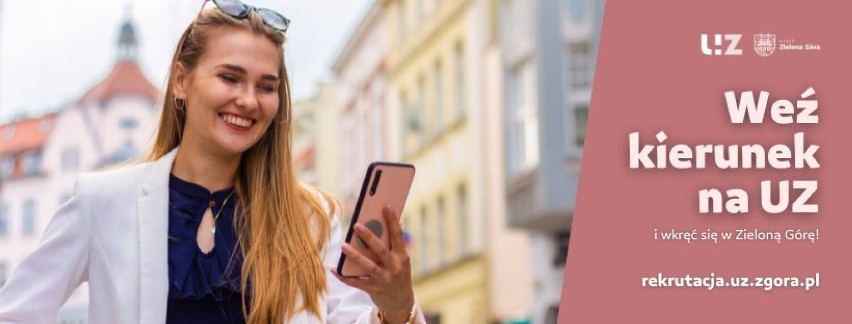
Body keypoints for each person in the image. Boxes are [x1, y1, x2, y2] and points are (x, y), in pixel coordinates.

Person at [0, 1, 425, 323]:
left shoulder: (312, 219)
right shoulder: (103, 202)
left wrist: (397, 308)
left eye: (266, 86)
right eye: (230, 77)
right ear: (182, 81)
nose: (248, 100)